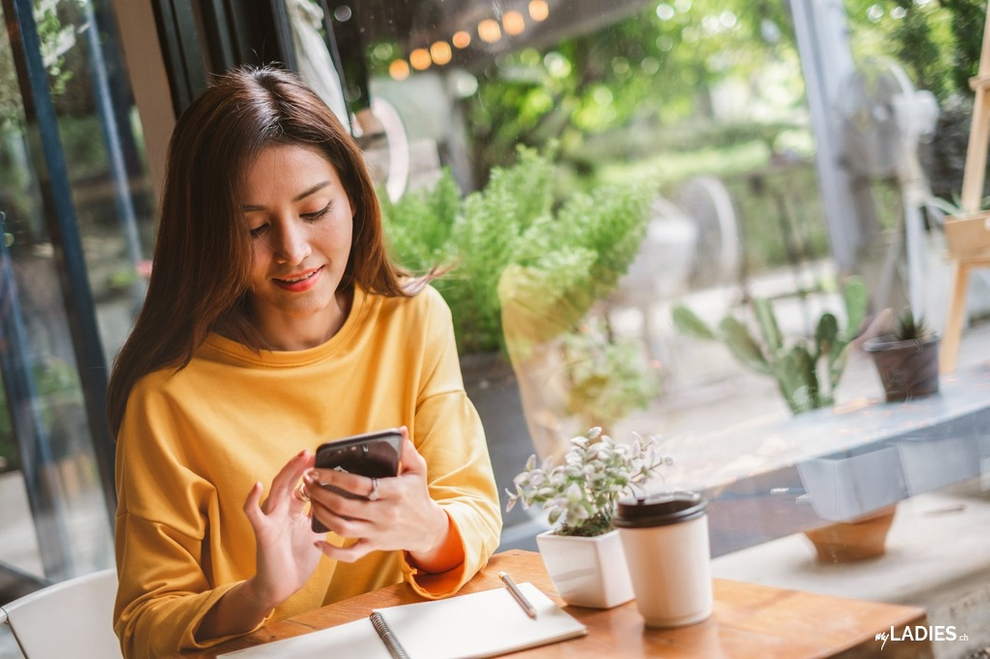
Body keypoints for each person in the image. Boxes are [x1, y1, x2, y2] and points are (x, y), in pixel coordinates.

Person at [107, 65, 502, 658]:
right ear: (208, 236)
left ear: (353, 197)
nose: (293, 251)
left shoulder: (413, 322)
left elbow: (471, 507)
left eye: (315, 211)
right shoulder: (168, 399)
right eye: (256, 228)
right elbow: (144, 624)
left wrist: (424, 528)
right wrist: (258, 593)